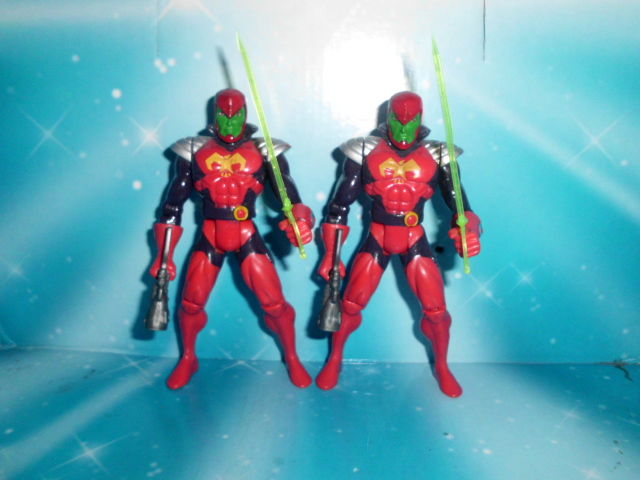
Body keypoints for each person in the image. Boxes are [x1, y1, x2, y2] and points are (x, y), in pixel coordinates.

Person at [316, 91, 482, 397]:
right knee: (349, 304)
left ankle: (442, 366)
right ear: (388, 117)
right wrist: (331, 254)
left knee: (436, 311)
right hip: (378, 236)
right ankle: (335, 358)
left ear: (420, 120)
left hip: (413, 237)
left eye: (411, 121)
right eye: (398, 120)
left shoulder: (438, 155)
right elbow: (339, 207)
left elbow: (461, 206)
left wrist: (469, 231)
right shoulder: (364, 150)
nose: (404, 129)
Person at [150, 88, 314, 389]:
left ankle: (292, 356)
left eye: (234, 115)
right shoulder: (193, 150)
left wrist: (301, 220)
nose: (228, 122)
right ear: (214, 115)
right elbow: (173, 206)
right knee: (191, 303)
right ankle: (188, 357)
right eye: (222, 115)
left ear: (244, 114)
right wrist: (164, 256)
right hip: (211, 234)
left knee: (274, 304)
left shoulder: (265, 150)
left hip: (245, 233)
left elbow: (290, 196)